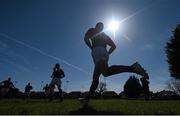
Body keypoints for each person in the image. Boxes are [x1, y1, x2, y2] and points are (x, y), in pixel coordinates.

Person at [83, 22, 149, 100]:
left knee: (104, 73)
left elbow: (86, 38)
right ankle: (87, 98)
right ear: (102, 28)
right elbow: (114, 46)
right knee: (97, 76)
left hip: (97, 51)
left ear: (96, 26)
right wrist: (107, 53)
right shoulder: (105, 35)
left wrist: (91, 47)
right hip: (103, 52)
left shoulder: (92, 30)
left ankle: (132, 67)